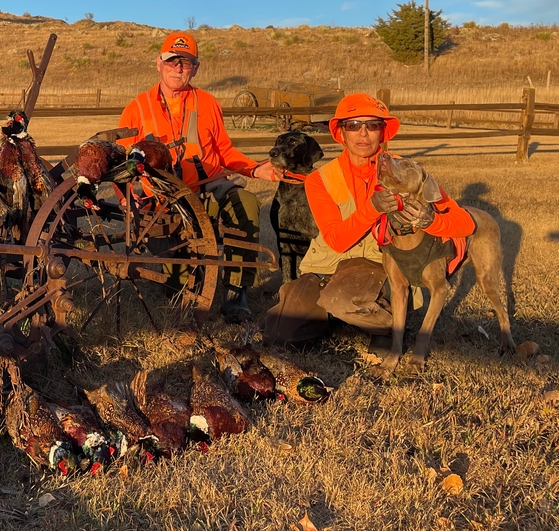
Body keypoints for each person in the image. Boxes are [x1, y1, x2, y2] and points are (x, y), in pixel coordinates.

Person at [263, 92, 475, 345]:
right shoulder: (321, 179)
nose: (363, 133)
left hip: (379, 265)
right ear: (341, 133)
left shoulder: (406, 172)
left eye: (372, 125)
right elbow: (336, 241)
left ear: (382, 132)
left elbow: (465, 223)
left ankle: (386, 322)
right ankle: (338, 316)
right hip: (326, 266)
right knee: (282, 332)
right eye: (353, 125)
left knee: (343, 299)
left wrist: (431, 221)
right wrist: (372, 208)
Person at [117, 31, 280, 316]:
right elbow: (121, 165)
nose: (178, 68)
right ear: (159, 63)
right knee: (178, 290)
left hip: (206, 189)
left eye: (186, 62)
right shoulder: (137, 108)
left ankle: (235, 294)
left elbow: (225, 151)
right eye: (172, 61)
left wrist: (255, 168)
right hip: (163, 202)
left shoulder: (208, 103)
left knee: (246, 204)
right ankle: (186, 276)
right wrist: (127, 198)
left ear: (196, 67)